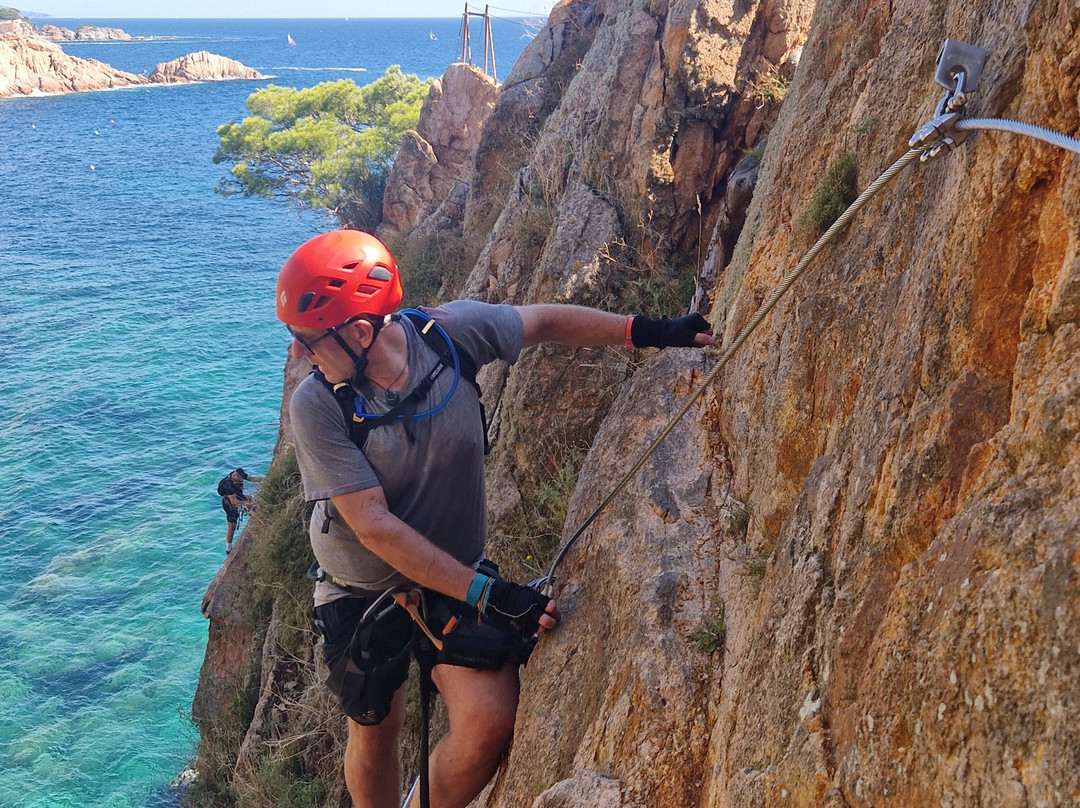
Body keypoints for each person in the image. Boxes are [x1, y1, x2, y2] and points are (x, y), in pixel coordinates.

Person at [278, 229, 713, 808]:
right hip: (360, 591)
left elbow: (543, 323)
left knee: (488, 722)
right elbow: (374, 525)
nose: (298, 354)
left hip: (451, 574)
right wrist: (490, 594)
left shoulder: (447, 336)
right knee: (376, 727)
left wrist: (650, 331)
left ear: (360, 332)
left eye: (307, 340)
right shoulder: (316, 404)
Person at [220, 467, 262, 555]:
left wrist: (263, 479)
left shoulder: (239, 473)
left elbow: (251, 479)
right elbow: (234, 502)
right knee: (232, 526)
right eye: (238, 480)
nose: (240, 481)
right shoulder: (227, 484)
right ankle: (228, 549)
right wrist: (246, 503)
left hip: (237, 496)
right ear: (234, 475)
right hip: (228, 503)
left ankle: (253, 514)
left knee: (249, 498)